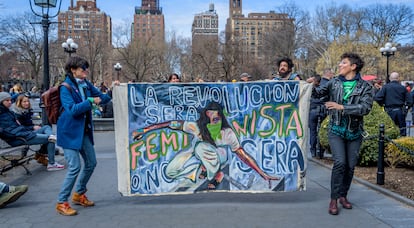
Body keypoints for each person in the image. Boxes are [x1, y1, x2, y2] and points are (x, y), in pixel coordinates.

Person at [132, 101, 280, 190]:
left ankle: (214, 173)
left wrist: (262, 173)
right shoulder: (195, 126)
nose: (214, 121)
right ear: (206, 116)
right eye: (211, 118)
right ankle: (202, 171)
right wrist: (145, 130)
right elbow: (171, 124)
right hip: (197, 156)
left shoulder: (227, 133)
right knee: (169, 172)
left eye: (217, 118)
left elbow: (242, 155)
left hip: (218, 156)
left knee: (201, 147)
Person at [312, 52, 373, 215]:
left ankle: (343, 196)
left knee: (350, 166)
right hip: (336, 130)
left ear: (353, 66)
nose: (340, 65)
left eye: (343, 63)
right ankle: (333, 199)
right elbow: (317, 94)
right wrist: (309, 85)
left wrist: (342, 107)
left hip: (354, 132)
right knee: (339, 163)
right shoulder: (334, 82)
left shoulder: (365, 86)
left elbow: (365, 108)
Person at [55, 56, 113, 216]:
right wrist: (90, 101)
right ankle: (61, 202)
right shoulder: (65, 87)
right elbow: (72, 109)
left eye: (86, 68)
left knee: (91, 163)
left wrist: (112, 89)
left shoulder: (85, 84)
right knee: (74, 167)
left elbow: (103, 99)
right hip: (69, 132)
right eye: (83, 69)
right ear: (73, 70)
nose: (86, 71)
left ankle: (79, 193)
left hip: (83, 131)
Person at [0, 92, 64, 171]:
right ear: (1, 102)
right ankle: (51, 163)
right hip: (17, 138)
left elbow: (16, 128)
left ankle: (47, 150)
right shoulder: (4, 114)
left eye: (10, 100)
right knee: (51, 139)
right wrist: (27, 132)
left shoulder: (7, 112)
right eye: (7, 100)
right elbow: (10, 131)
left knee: (48, 130)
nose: (10, 102)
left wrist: (28, 130)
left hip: (23, 134)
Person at [11, 94, 49, 166]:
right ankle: (41, 155)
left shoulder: (27, 111)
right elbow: (20, 128)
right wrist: (32, 127)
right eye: (24, 102)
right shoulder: (17, 114)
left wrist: (35, 126)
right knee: (48, 137)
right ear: (19, 103)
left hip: (28, 131)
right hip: (23, 135)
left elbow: (29, 123)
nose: (27, 103)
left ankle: (41, 154)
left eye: (28, 101)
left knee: (46, 130)